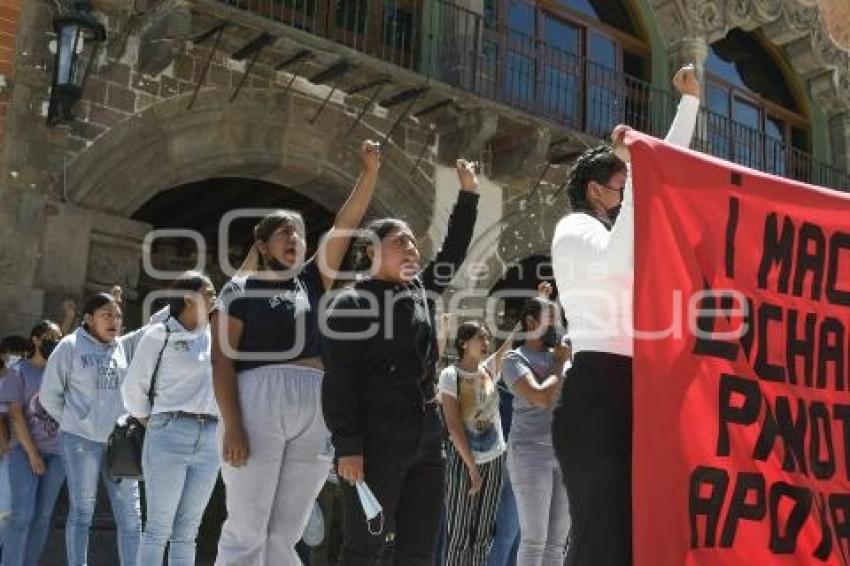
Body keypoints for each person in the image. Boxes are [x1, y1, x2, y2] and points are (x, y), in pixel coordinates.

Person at [550, 65, 701, 566]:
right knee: (602, 540)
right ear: (597, 190)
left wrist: (689, 107)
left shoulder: (619, 226)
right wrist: (641, 166)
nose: (625, 196)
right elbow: (618, 259)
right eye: (620, 187)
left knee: (636, 536)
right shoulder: (575, 228)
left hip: (635, 388)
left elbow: (660, 180)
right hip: (598, 391)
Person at [212, 140, 381, 565]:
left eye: (300, 233)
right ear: (264, 244)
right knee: (247, 530)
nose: (295, 237)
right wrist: (233, 425)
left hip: (315, 406)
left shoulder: (312, 281)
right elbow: (221, 361)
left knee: (285, 533)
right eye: (284, 231)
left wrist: (370, 173)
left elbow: (347, 223)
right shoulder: (239, 289)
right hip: (258, 401)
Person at [321, 158, 480, 565]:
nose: (412, 248)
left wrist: (468, 194)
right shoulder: (350, 304)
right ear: (372, 251)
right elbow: (339, 382)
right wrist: (349, 447)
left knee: (420, 549)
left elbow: (454, 249)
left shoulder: (423, 291)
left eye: (413, 242)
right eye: (400, 242)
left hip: (426, 438)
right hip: (376, 438)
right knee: (364, 546)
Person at [40, 292, 145, 566]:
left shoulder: (123, 346)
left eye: (118, 315)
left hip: (119, 443)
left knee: (131, 518)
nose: (114, 321)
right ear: (88, 319)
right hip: (80, 441)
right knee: (82, 512)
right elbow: (49, 395)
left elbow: (157, 325)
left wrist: (188, 297)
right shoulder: (69, 346)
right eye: (106, 315)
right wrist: (76, 420)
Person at [122, 272, 219, 566]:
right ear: (189, 299)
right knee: (158, 529)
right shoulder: (159, 333)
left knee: (188, 532)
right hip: (168, 432)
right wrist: (152, 422)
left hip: (211, 437)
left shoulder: (216, 336)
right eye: (210, 292)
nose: (215, 298)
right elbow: (132, 386)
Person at [499, 298, 571, 566]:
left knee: (556, 544)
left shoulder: (564, 358)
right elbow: (541, 397)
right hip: (529, 455)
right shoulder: (514, 360)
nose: (558, 326)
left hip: (564, 455)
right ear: (530, 322)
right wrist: (560, 364)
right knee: (534, 540)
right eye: (551, 317)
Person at [438, 322, 514, 566]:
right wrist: (472, 467)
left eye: (487, 338)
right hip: (463, 461)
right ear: (463, 342)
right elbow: (452, 425)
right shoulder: (451, 375)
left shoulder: (489, 369)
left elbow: (508, 345)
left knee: (482, 537)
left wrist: (531, 308)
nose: (486, 342)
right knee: (459, 534)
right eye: (480, 338)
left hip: (494, 460)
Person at [0, 321, 64, 566]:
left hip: (58, 455)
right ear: (36, 340)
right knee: (22, 515)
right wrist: (33, 455)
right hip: (25, 453)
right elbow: (15, 416)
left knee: (42, 518)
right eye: (50, 337)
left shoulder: (60, 371)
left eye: (59, 338)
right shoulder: (18, 372)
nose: (55, 342)